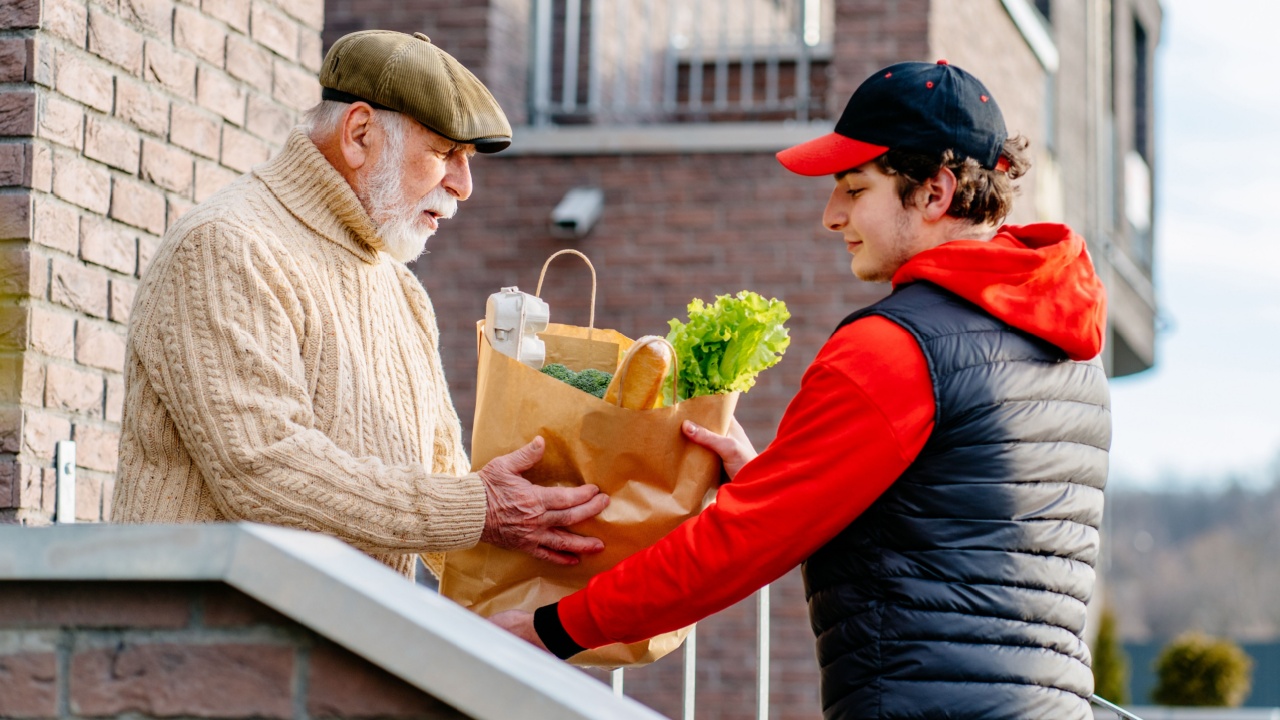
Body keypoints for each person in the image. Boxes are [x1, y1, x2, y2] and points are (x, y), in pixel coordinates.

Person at [494, 60, 1110, 719]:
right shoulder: (1070, 351)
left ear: (935, 192)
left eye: (854, 188)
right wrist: (775, 479)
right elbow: (960, 540)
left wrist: (547, 630)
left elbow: (736, 546)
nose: (830, 215)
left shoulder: (897, 348)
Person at [111, 30, 608, 579]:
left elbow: (447, 509)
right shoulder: (226, 246)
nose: (464, 186)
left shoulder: (402, 294)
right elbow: (265, 470)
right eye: (446, 153)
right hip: (202, 655)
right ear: (360, 133)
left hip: (331, 657)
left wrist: (602, 522)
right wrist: (478, 508)